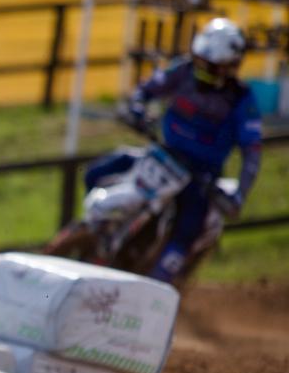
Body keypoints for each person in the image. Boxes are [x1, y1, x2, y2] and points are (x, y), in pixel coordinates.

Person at [87, 17, 261, 283]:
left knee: (188, 228)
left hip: (199, 176)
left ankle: (156, 285)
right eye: (200, 61)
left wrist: (240, 195)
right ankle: (93, 237)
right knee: (97, 172)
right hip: (163, 154)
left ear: (230, 66)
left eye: (210, 66)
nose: (201, 70)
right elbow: (147, 89)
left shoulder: (241, 99)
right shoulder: (184, 70)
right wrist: (136, 107)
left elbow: (252, 152)